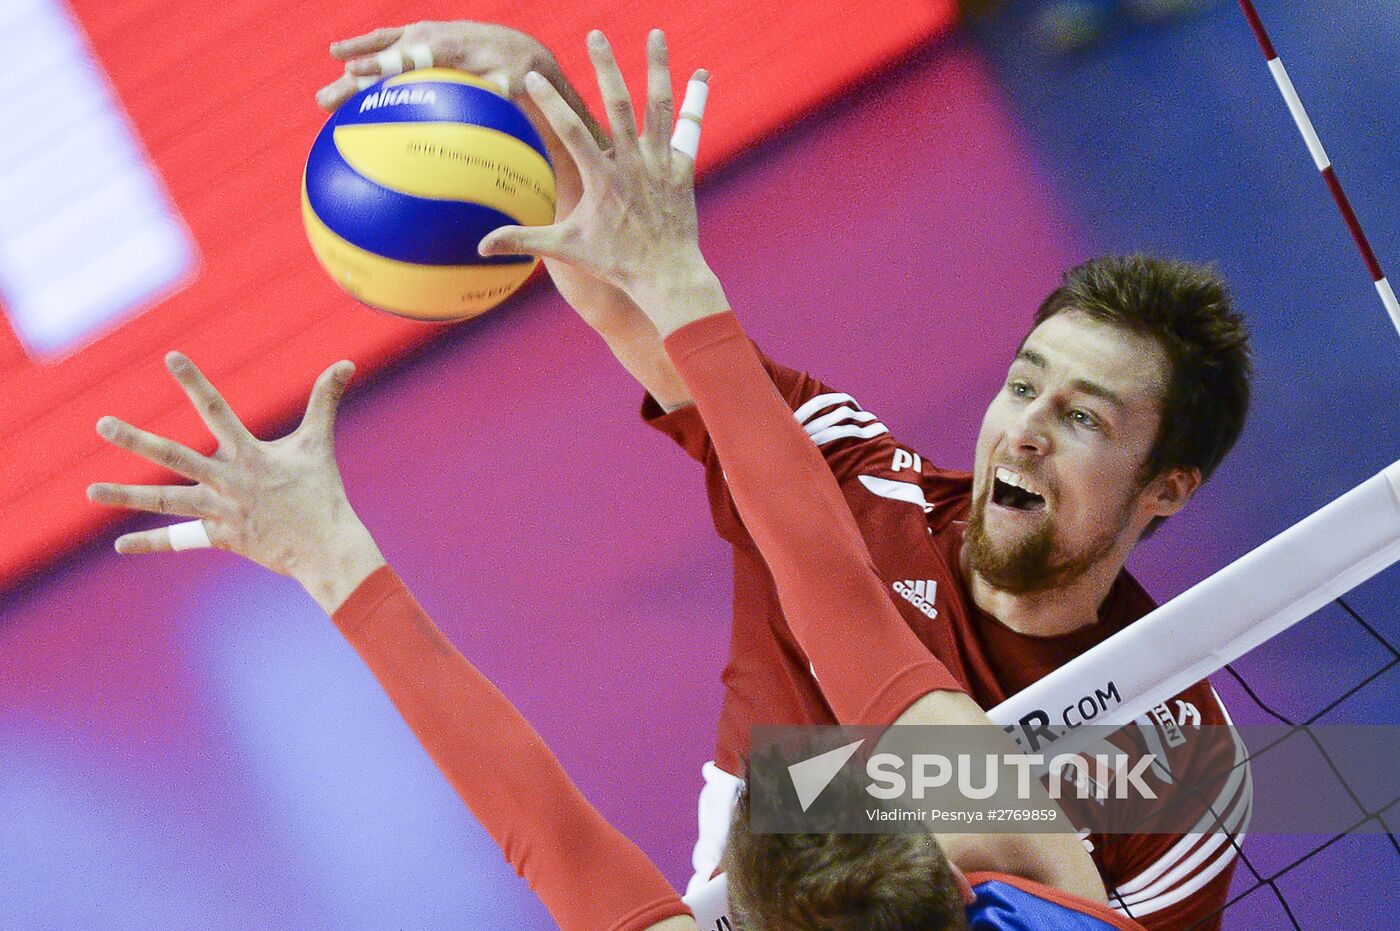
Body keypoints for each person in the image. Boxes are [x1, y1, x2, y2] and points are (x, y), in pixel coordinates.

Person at [90, 30, 1149, 930]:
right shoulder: (1021, 850)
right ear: (949, 867)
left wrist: (326, 558)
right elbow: (830, 600)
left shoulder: (979, 818)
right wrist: (669, 274)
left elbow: (550, 827)